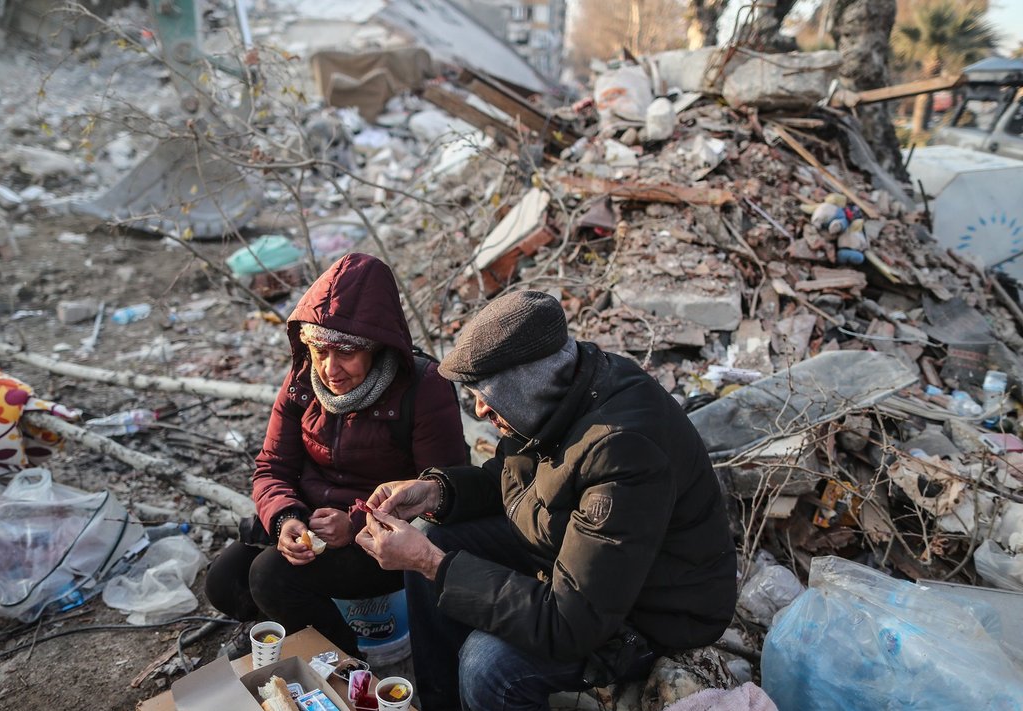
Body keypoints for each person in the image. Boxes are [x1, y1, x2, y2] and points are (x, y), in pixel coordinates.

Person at [356, 290, 737, 711]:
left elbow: (570, 623)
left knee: (488, 664)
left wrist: (432, 564)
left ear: (527, 383)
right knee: (432, 531)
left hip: (654, 614)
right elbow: (514, 480)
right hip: (582, 562)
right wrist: (436, 492)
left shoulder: (622, 448)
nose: (480, 409)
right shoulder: (558, 396)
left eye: (487, 393)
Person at [204, 253, 467, 657]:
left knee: (270, 576)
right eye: (319, 350)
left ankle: (345, 660)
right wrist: (286, 519)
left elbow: (442, 490)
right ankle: (287, 624)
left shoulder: (422, 388)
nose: (330, 369)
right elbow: (272, 466)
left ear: (378, 348)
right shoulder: (303, 380)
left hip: (381, 538)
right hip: (312, 521)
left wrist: (357, 521)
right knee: (224, 580)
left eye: (346, 352)